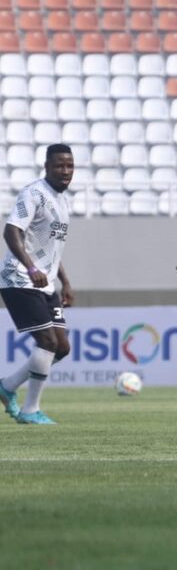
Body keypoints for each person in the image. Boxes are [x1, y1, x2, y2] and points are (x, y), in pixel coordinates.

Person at [0, 144, 75, 425]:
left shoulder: (63, 201)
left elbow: (52, 248)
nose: (65, 171)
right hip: (19, 277)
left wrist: (65, 281)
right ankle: (31, 410)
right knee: (47, 341)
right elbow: (11, 231)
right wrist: (30, 267)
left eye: (69, 166)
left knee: (62, 347)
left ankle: (7, 386)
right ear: (46, 167)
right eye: (59, 165)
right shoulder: (34, 194)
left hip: (45, 282)